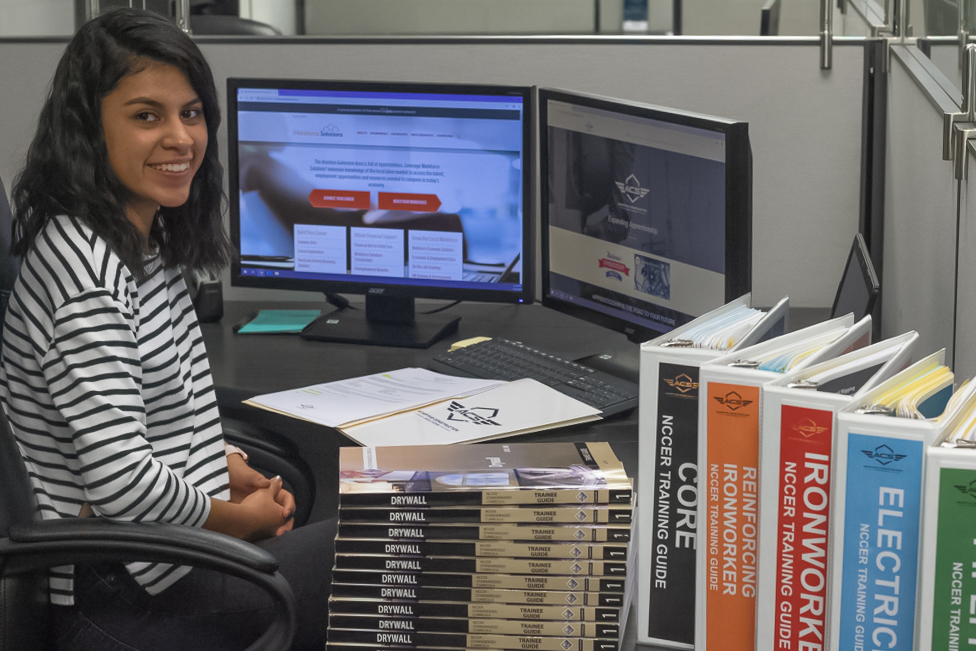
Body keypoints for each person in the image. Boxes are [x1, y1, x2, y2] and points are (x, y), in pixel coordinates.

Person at [1, 8, 335, 651]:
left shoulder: (136, 238)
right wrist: (239, 523)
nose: (181, 137)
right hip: (121, 595)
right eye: (146, 116)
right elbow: (124, 480)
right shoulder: (86, 275)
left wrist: (226, 465)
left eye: (192, 113)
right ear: (89, 129)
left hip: (162, 560)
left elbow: (157, 416)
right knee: (403, 547)